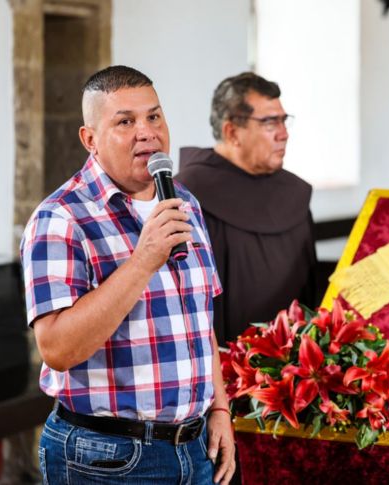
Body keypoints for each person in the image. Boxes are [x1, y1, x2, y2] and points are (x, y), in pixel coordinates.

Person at [20, 65, 235, 485]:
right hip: (107, 457)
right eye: (125, 121)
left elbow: (198, 321)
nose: (147, 132)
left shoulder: (184, 203)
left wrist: (220, 408)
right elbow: (57, 349)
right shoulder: (60, 218)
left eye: (154, 116)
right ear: (90, 139)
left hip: (195, 448)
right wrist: (142, 262)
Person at [175, 72, 317, 346]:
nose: (284, 134)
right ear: (232, 132)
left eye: (284, 120)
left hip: (296, 359)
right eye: (269, 122)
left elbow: (309, 288)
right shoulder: (189, 194)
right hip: (221, 359)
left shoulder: (294, 193)